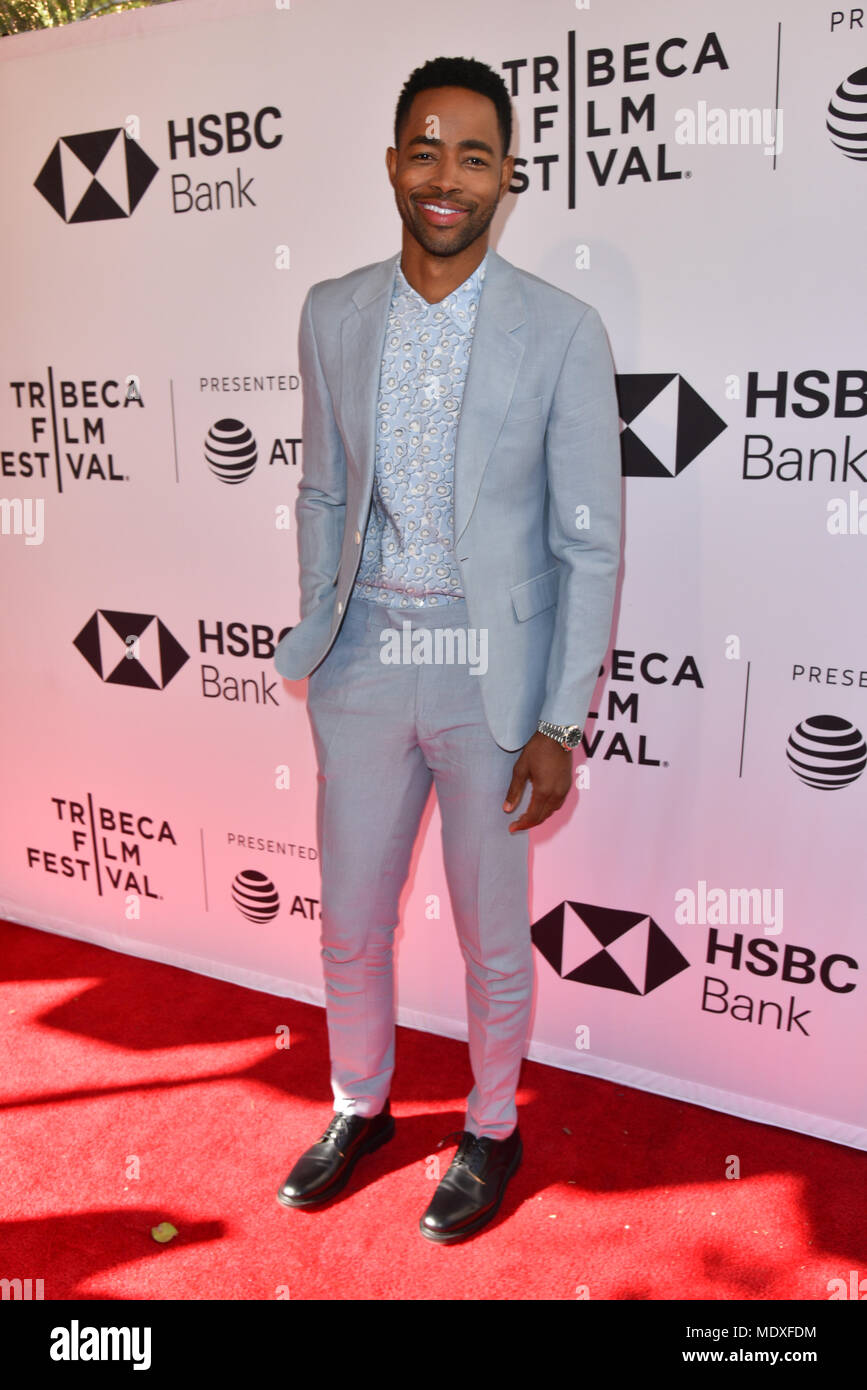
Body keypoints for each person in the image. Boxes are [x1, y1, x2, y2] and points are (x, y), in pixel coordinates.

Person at [273, 55, 622, 1243]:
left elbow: (589, 546)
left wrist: (562, 722)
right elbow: (322, 488)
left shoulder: (564, 331)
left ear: (507, 179)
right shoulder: (331, 309)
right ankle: (357, 1101)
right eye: (425, 147)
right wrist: (323, 622)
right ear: (391, 163)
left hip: (496, 682)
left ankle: (488, 1126)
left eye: (475, 154)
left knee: (488, 932)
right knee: (352, 920)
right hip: (363, 655)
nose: (446, 175)